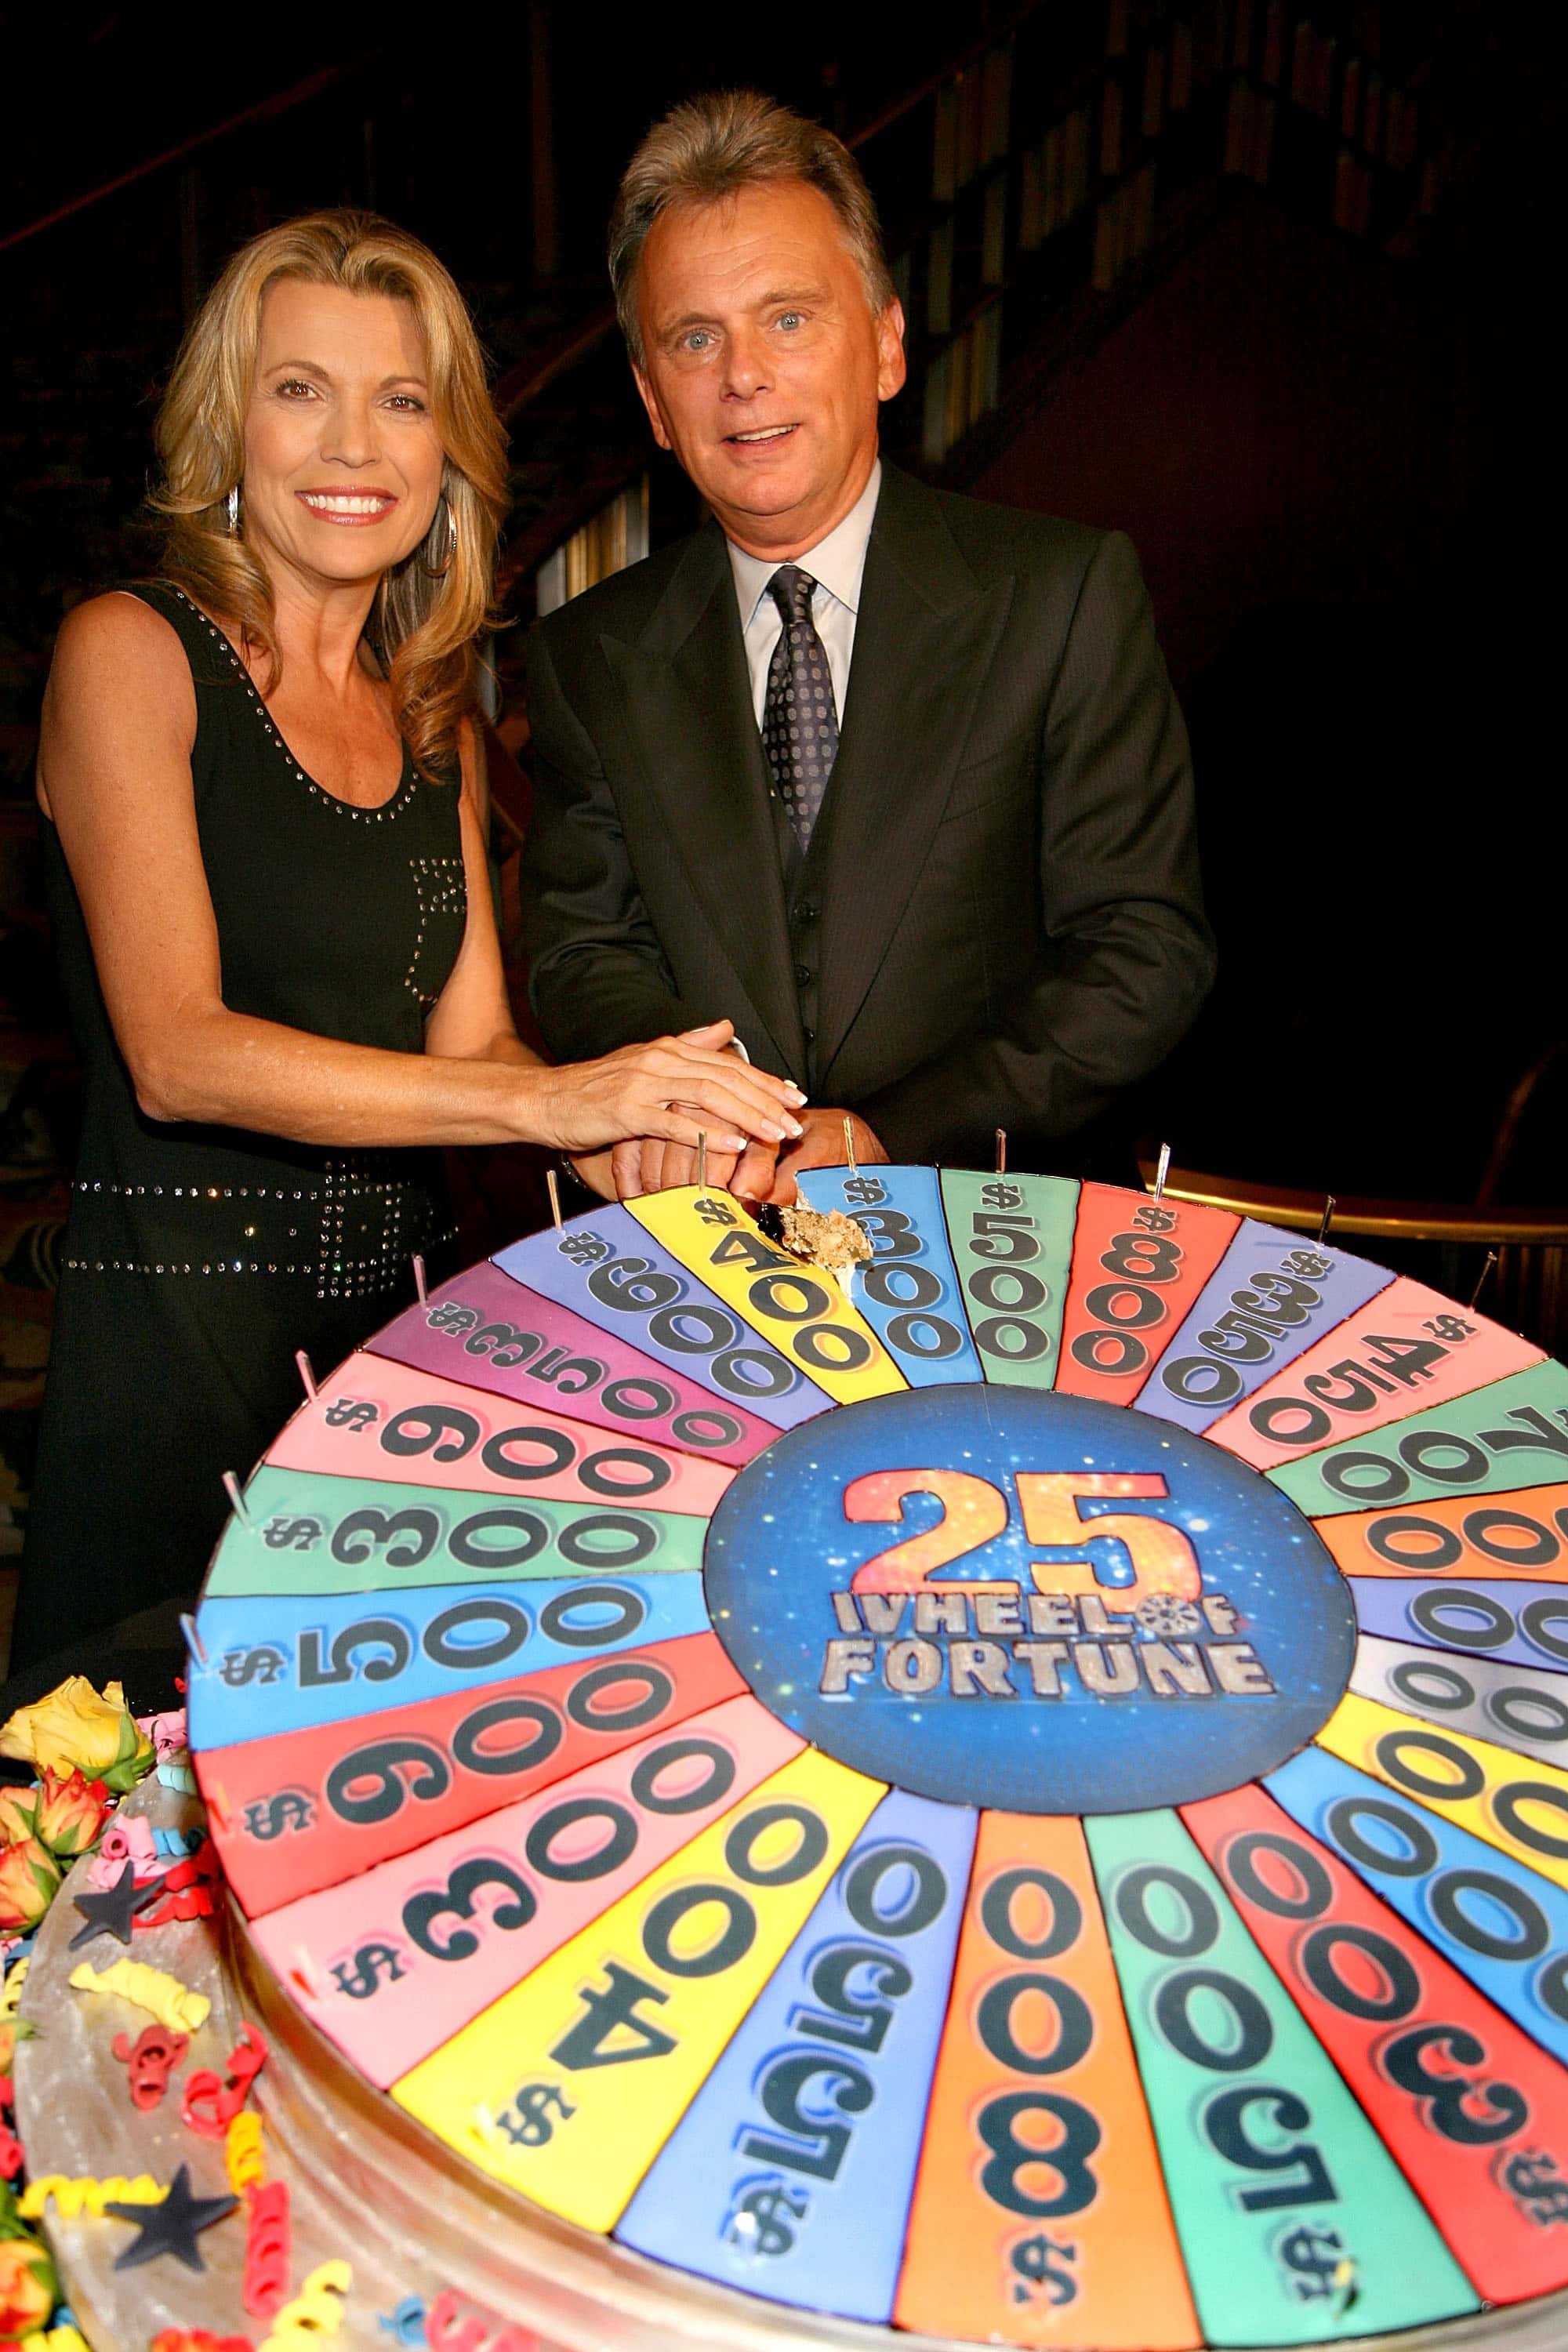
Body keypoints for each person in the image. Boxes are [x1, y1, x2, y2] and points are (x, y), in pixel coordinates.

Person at [12, 208, 804, 1680]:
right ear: (226, 425)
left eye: (400, 399)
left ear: (448, 452)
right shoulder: (128, 651)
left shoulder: (428, 706)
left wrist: (649, 1129)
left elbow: (478, 1051)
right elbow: (179, 1054)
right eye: (298, 388)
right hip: (179, 1356)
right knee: (127, 1855)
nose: (352, 445)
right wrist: (547, 1101)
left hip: (401, 1366)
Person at [521, 92, 1215, 1208]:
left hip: (1006, 1245)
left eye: (788, 318)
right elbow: (581, 954)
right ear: (654, 402)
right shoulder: (586, 656)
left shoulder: (1063, 594)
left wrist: (893, 1134)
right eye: (694, 339)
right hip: (711, 1257)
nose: (742, 374)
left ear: (886, 344)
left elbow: (1141, 949)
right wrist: (703, 1109)